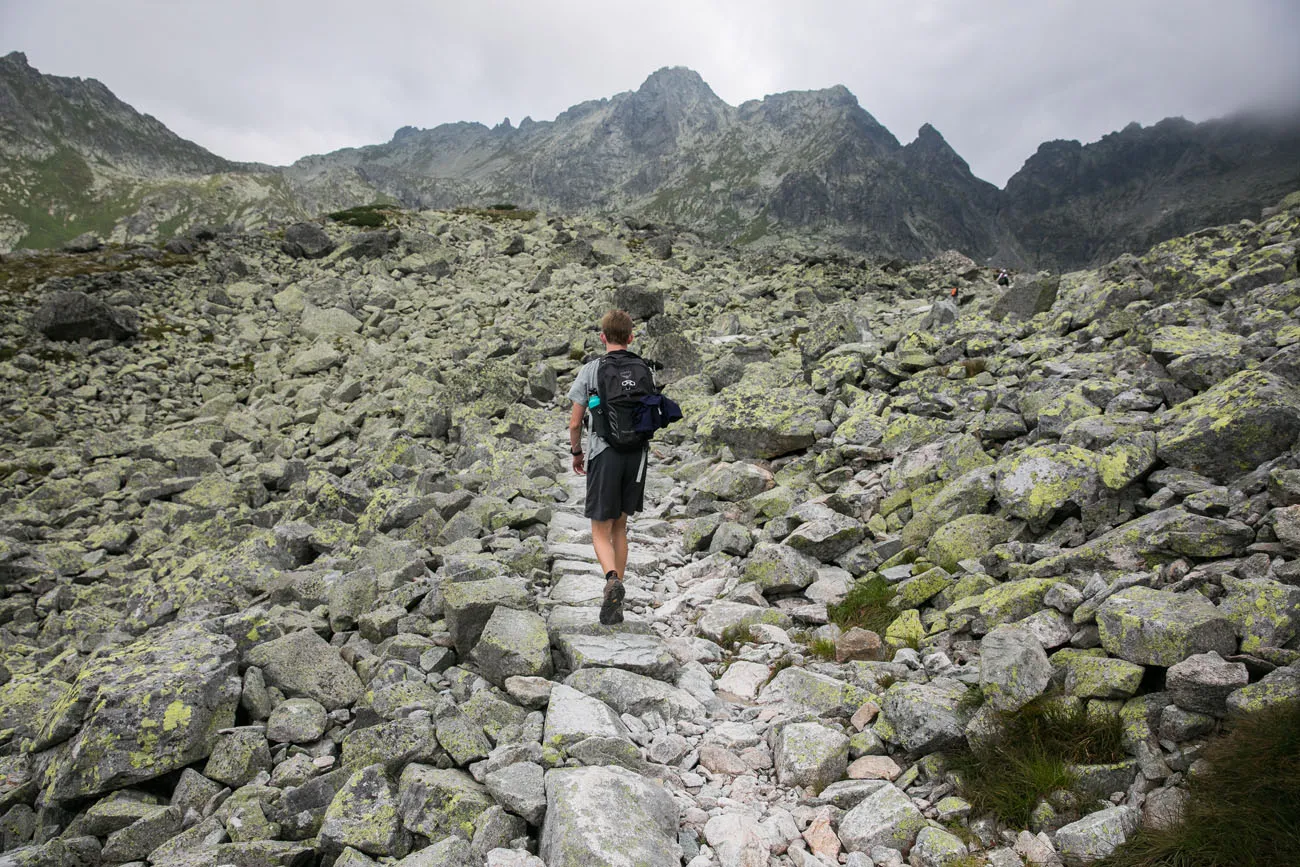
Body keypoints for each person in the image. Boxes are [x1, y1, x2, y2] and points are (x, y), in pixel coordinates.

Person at [567, 309, 651, 625]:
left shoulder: (591, 370)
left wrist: (577, 453)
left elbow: (575, 422)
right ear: (631, 337)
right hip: (636, 455)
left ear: (602, 337)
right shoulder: (643, 368)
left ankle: (611, 580)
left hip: (604, 453)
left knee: (599, 528)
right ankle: (618, 596)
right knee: (620, 526)